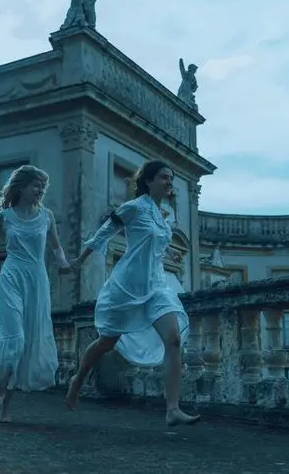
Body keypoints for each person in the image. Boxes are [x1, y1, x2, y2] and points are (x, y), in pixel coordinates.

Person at [64, 160, 201, 426]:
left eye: (171, 178)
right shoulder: (133, 207)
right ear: (148, 181)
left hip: (157, 285)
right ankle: (78, 379)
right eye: (164, 177)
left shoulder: (162, 215)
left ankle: (172, 408)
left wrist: (171, 252)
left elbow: (156, 242)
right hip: (127, 286)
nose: (169, 182)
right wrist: (79, 261)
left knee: (173, 339)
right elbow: (104, 232)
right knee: (106, 342)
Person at [0, 165, 71, 423]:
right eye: (36, 185)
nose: (40, 190)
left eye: (43, 186)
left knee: (27, 346)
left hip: (37, 282)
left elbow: (56, 248)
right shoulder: (5, 216)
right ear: (21, 187)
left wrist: (63, 262)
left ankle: (5, 407)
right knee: (15, 339)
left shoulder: (46, 216)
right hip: (11, 277)